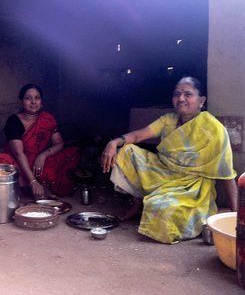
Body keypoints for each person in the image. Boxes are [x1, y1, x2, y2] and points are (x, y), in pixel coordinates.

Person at [100, 76, 238, 244]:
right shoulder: (168, 119)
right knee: (126, 151)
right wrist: (114, 142)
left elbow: (227, 175)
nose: (181, 98)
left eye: (188, 94)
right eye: (177, 94)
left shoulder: (214, 129)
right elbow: (137, 135)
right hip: (162, 173)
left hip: (191, 188)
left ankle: (153, 206)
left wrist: (235, 217)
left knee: (161, 209)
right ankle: (137, 203)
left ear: (201, 101)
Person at [0, 84, 80, 199]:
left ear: (41, 101)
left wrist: (43, 155)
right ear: (21, 101)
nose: (33, 102)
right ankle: (30, 186)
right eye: (28, 98)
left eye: (37, 98)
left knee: (73, 152)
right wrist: (32, 181)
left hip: (38, 163)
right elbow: (18, 153)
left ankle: (41, 186)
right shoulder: (14, 121)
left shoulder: (48, 118)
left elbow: (59, 143)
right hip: (19, 162)